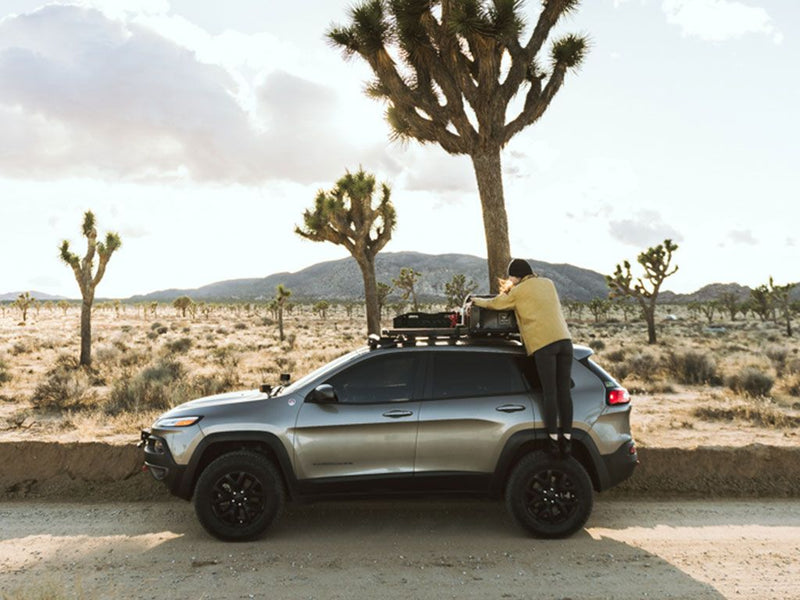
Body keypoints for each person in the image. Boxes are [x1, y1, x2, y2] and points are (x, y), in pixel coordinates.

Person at [471, 259, 574, 458]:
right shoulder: (548, 283)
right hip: (564, 341)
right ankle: (567, 440)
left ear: (516, 275)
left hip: (544, 344)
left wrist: (476, 301)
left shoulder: (518, 291)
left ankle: (553, 440)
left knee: (549, 392)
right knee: (564, 392)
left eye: (511, 276)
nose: (510, 279)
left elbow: (496, 304)